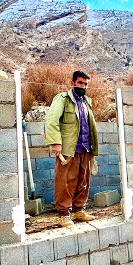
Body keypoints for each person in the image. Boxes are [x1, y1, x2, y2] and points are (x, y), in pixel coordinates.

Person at [44, 70, 99, 227]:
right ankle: (64, 214)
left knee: (83, 181)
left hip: (85, 148)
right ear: (73, 83)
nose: (83, 86)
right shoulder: (62, 99)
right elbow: (52, 120)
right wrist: (55, 142)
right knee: (65, 182)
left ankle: (78, 210)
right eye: (80, 83)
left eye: (86, 84)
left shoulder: (87, 101)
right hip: (69, 149)